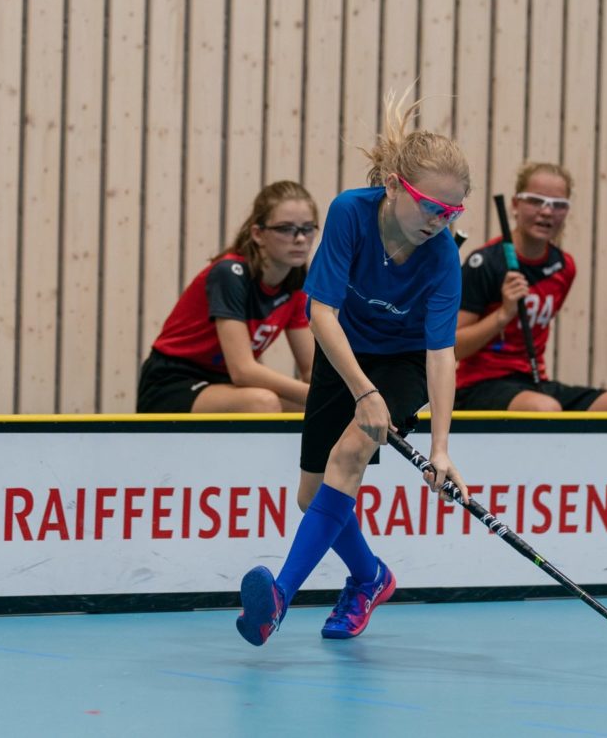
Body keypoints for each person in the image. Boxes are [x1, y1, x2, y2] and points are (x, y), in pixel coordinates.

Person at [235, 89, 471, 646]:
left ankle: (278, 599)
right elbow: (321, 314)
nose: (440, 221)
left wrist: (441, 447)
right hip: (343, 349)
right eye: (431, 206)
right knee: (311, 496)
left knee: (348, 455)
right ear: (393, 186)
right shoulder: (350, 212)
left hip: (404, 362)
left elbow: (441, 354)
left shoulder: (442, 256)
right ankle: (370, 578)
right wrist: (363, 392)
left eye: (453, 211)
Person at [454, 162, 607, 412]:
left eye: (558, 204)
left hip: (534, 383)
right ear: (515, 204)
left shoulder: (564, 267)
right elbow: (453, 347)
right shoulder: (485, 263)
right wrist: (503, 315)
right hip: (478, 386)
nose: (547, 211)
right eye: (535, 201)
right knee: (545, 409)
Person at [136, 181, 317, 414]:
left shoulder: (296, 284)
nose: (300, 238)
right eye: (285, 228)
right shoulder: (230, 274)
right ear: (258, 234)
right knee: (263, 403)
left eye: (308, 228)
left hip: (224, 383)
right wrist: (318, 395)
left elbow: (311, 370)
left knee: (318, 410)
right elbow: (243, 371)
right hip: (173, 381)